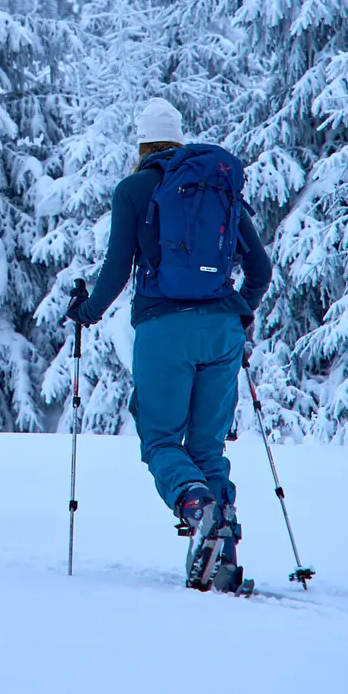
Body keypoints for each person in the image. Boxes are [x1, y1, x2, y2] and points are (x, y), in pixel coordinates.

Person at [64, 98, 272, 547]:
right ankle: (222, 550)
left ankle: (197, 509)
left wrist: (85, 312)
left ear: (141, 144)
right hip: (223, 331)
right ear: (178, 139)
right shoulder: (216, 187)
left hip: (164, 331)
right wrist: (242, 316)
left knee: (160, 442)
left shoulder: (134, 189)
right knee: (208, 449)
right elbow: (260, 271)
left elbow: (117, 271)